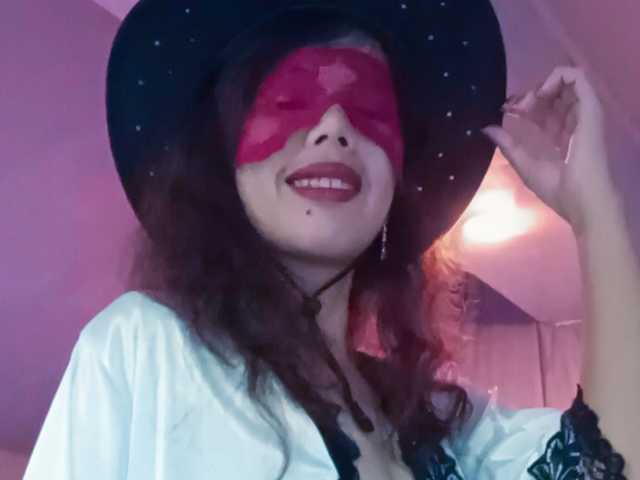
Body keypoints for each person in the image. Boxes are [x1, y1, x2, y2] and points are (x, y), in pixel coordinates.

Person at [24, 0, 636, 479]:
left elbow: (611, 463)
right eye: (290, 102)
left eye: (369, 111)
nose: (336, 127)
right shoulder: (144, 351)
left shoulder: (444, 428)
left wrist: (595, 216)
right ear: (223, 159)